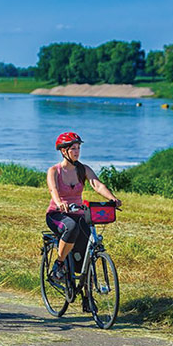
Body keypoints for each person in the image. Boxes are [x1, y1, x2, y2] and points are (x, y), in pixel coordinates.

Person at [45, 131, 121, 311]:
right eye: (73, 149)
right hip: (57, 215)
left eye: (78, 148)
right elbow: (53, 190)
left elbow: (97, 184)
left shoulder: (83, 169)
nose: (77, 152)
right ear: (63, 151)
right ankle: (59, 265)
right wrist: (60, 203)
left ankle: (87, 298)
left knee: (88, 250)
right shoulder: (54, 171)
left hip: (79, 213)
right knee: (70, 227)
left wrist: (112, 198)